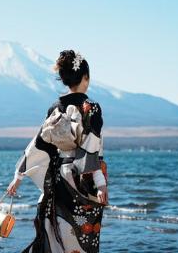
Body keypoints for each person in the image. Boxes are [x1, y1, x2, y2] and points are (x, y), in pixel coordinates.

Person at [7, 50, 109, 253]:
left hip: (58, 180)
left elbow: (39, 144)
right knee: (82, 236)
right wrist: (100, 185)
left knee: (57, 236)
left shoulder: (55, 107)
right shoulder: (91, 108)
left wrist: (19, 175)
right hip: (82, 180)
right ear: (86, 77)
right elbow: (90, 150)